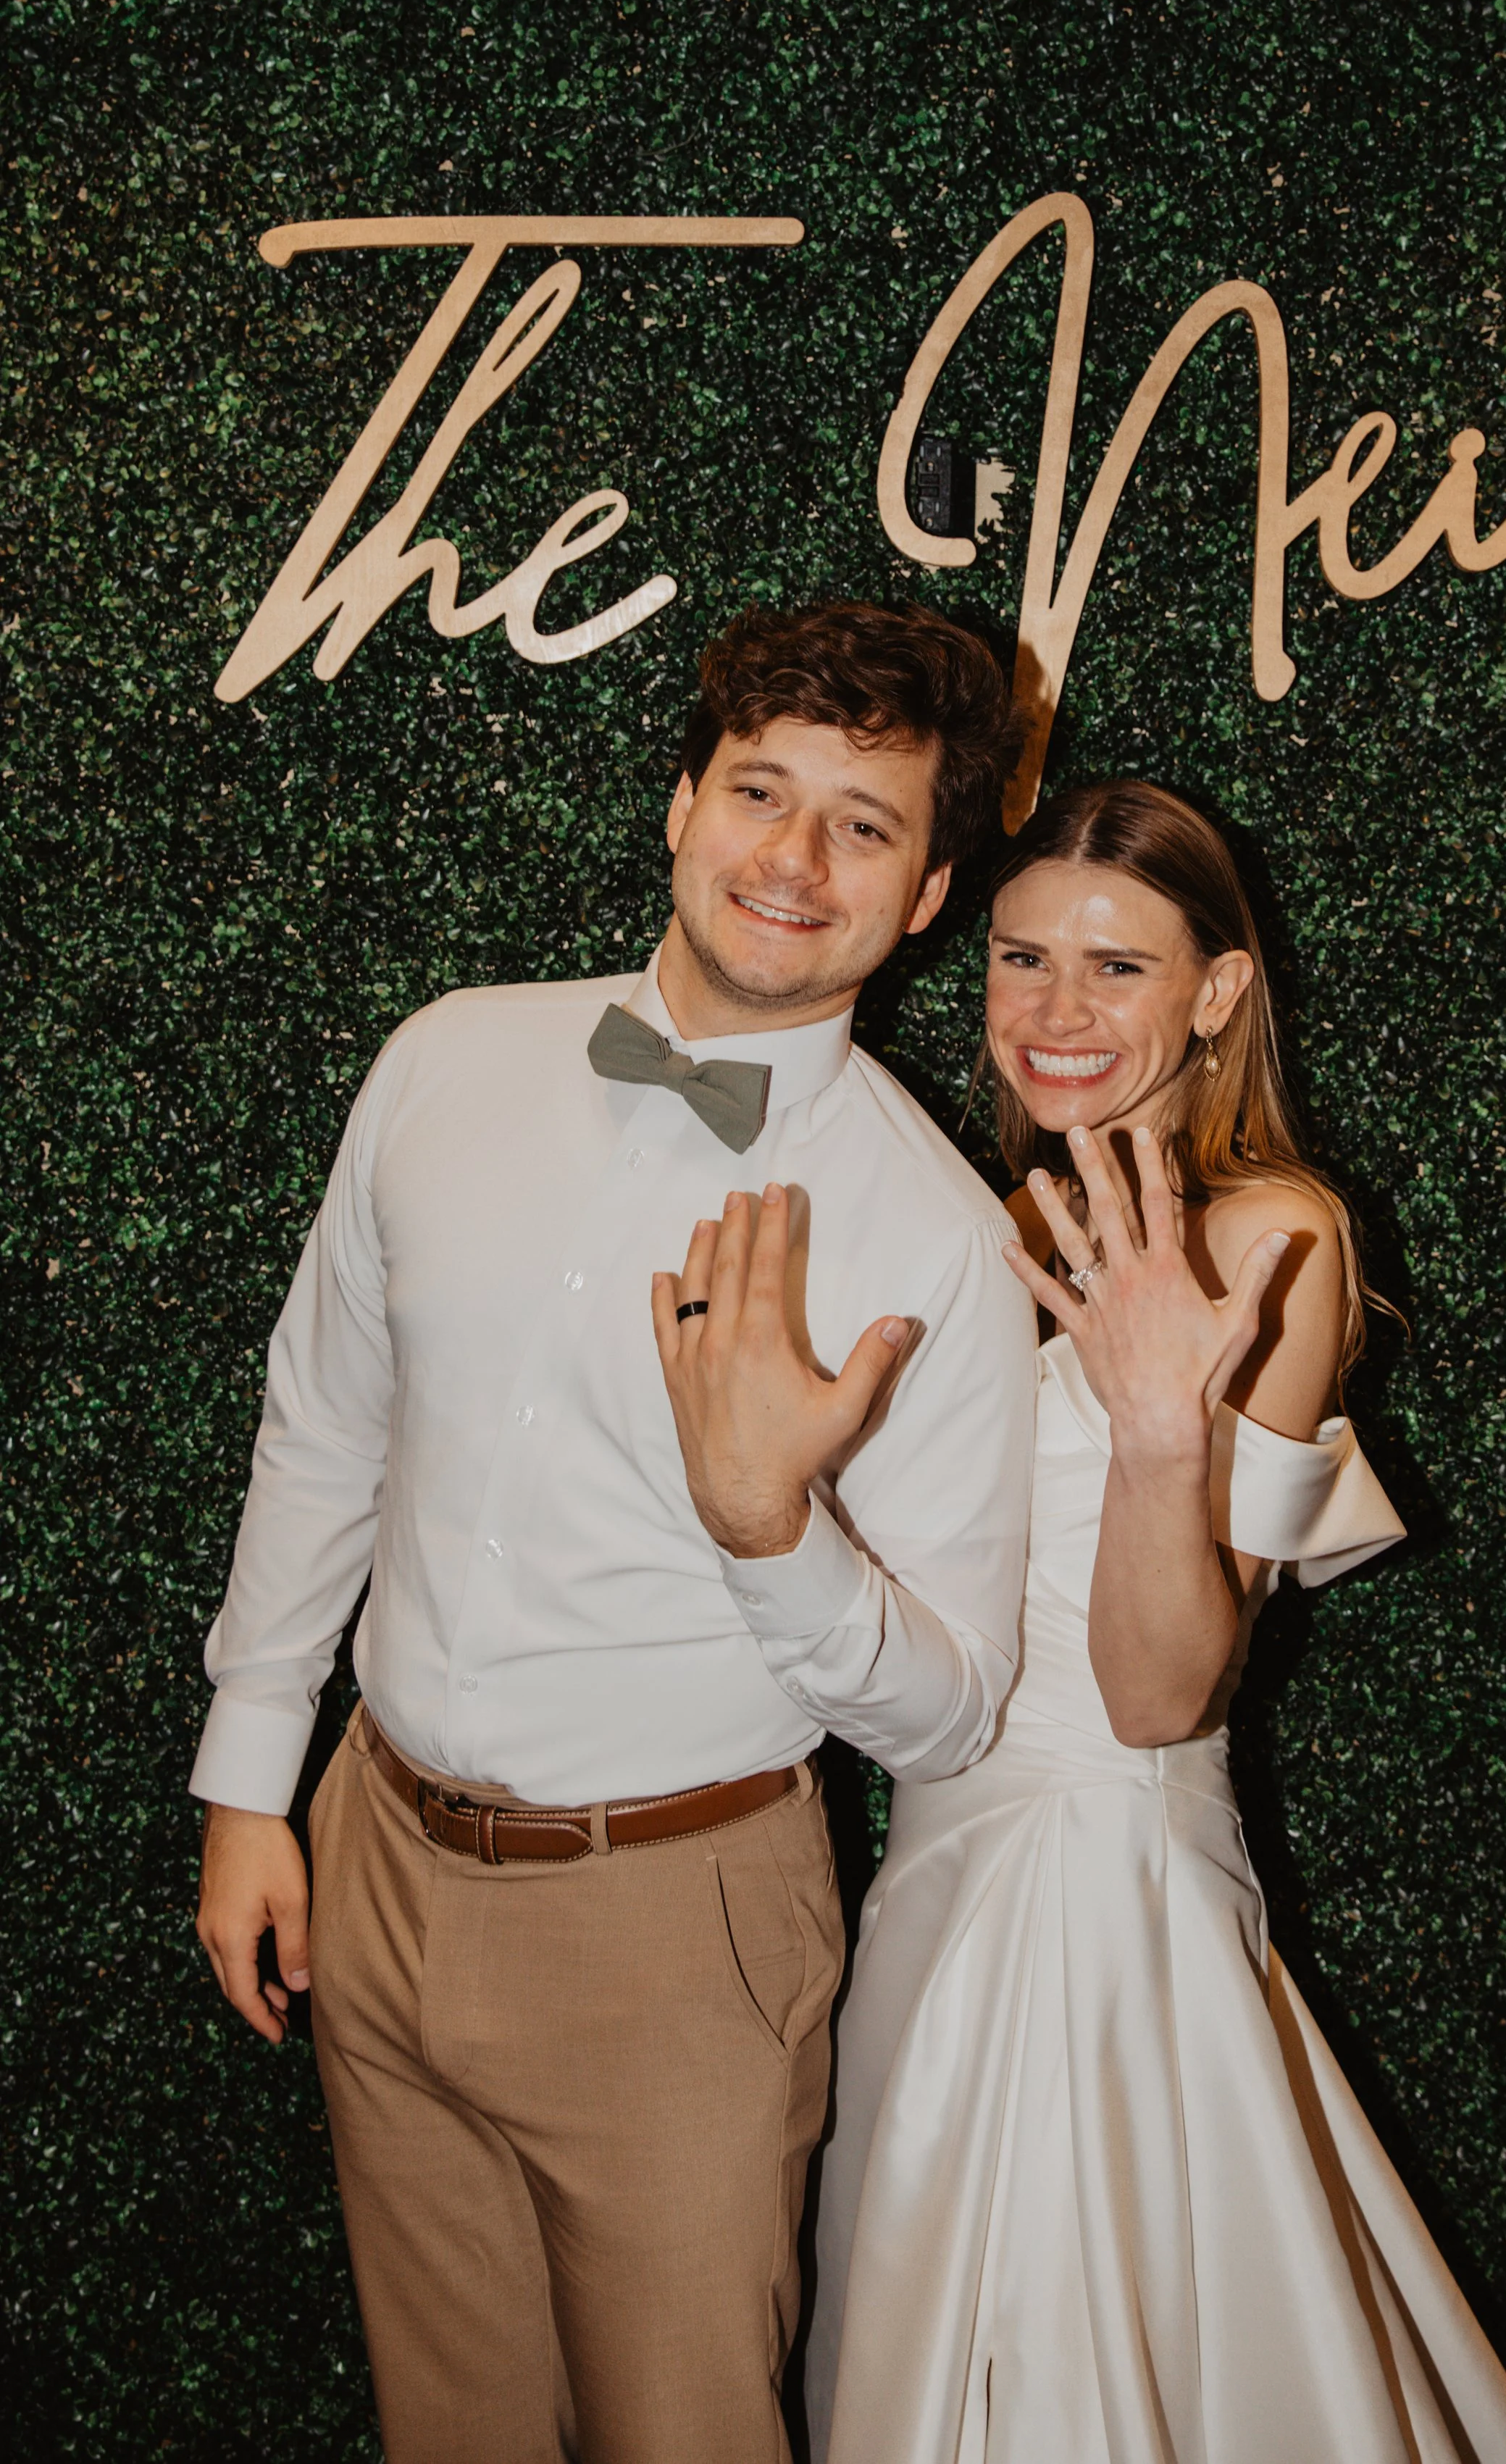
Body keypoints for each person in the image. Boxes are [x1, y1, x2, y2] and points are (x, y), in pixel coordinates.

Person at [188, 601, 1036, 2464]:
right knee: (450, 2429)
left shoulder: (943, 1245)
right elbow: (326, 1419)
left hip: (679, 1932)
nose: (792, 857)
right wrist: (252, 1779)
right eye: (759, 791)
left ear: (925, 896)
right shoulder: (445, 1061)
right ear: (679, 806)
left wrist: (767, 1528)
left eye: (864, 825)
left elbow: (956, 1711)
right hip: (373, 1851)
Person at [808, 780, 1506, 2464]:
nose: (1053, 1011)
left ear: (1215, 991)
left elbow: (1163, 1697)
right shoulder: (988, 1231)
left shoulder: (1273, 1239)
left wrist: (1158, 1430)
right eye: (1020, 957)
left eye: (1116, 966)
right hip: (930, 1873)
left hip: (1098, 1891)